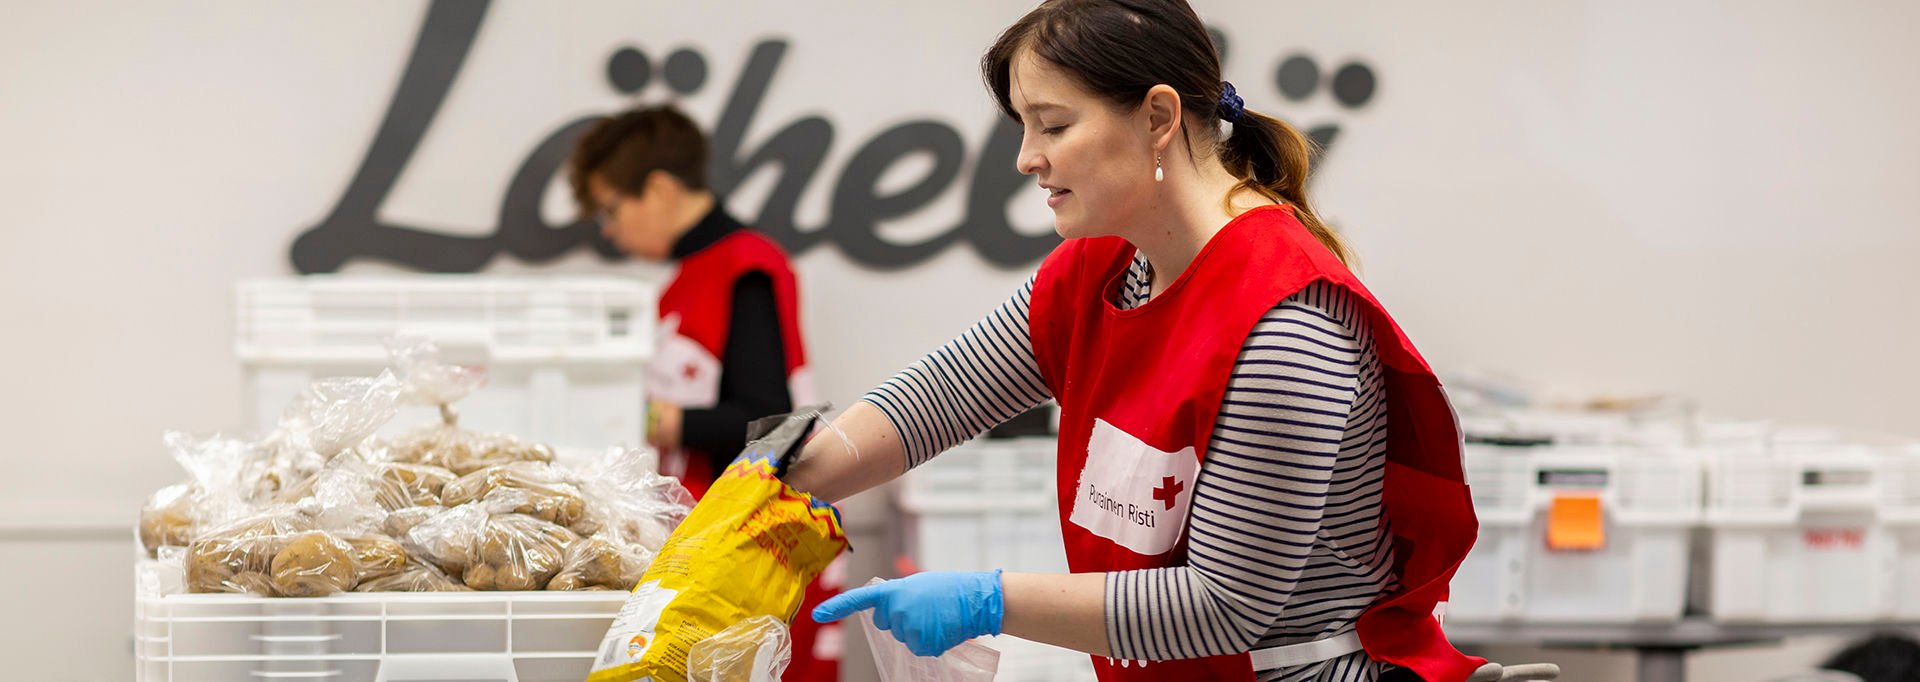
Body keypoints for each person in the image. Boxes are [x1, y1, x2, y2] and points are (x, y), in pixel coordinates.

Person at [786, 1, 1484, 680]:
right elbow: (937, 399)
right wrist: (774, 487)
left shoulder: (1285, 327)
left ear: (1157, 117)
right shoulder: (1110, 267)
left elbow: (1222, 606)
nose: (1027, 159)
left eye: (1053, 125)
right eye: (1023, 128)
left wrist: (988, 600)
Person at [567, 104, 838, 682]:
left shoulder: (747, 266)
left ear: (660, 188)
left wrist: (661, 421)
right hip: (706, 545)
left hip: (749, 552)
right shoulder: (686, 278)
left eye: (611, 210)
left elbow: (769, 421)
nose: (609, 231)